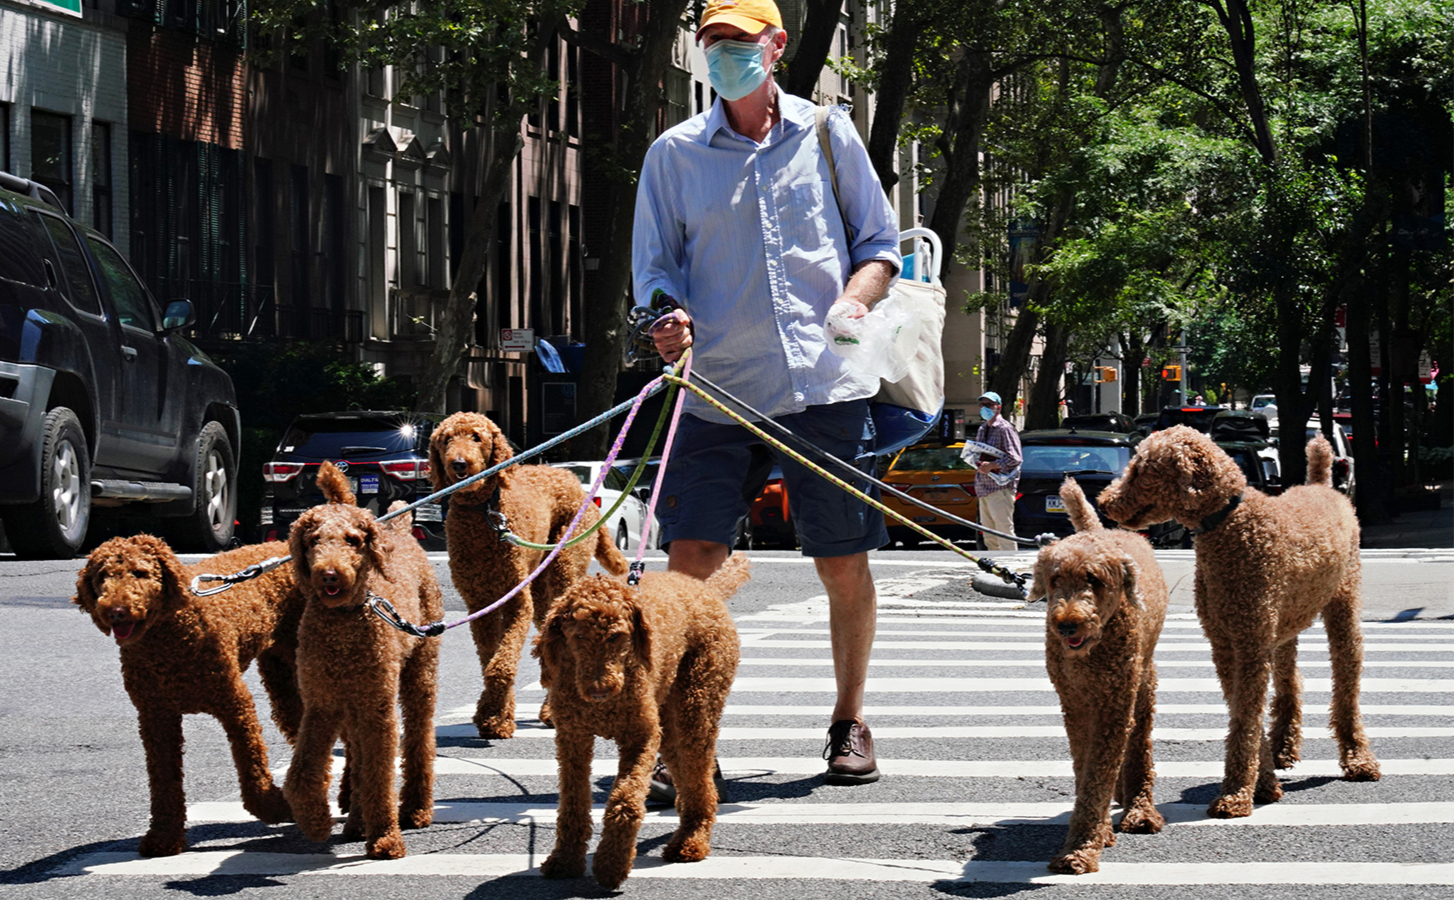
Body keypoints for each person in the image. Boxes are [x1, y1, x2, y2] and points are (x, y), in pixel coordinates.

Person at [633, 0, 901, 788]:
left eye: (738, 43)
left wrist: (856, 297)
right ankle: (682, 736)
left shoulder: (828, 134)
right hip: (717, 389)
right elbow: (655, 270)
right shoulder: (674, 155)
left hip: (824, 386)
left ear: (776, 47)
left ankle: (850, 721)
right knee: (689, 561)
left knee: (842, 561)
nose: (723, 55)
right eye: (712, 43)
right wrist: (665, 318)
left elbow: (880, 246)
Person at [973, 392, 1022, 552]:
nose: (984, 408)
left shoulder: (1005, 429)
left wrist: (993, 465)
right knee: (989, 534)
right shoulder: (982, 429)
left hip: (1000, 488)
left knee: (1004, 531)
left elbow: (1015, 458)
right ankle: (995, 568)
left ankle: (1012, 568)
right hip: (983, 487)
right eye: (982, 405)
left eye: (989, 405)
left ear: (998, 407)